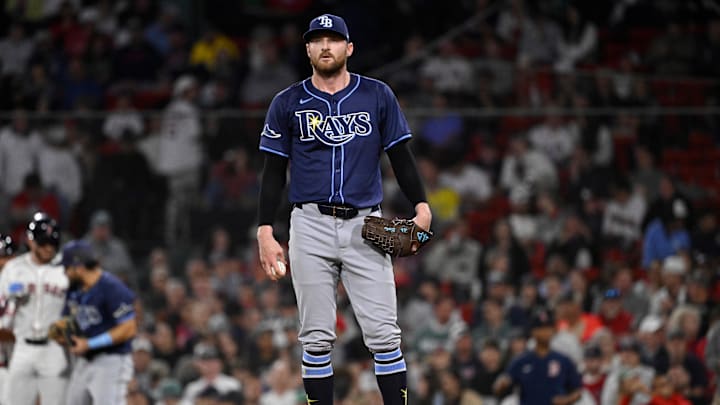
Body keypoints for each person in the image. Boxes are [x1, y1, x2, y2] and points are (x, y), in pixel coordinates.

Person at [256, 13, 432, 405]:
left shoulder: (376, 95)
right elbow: (272, 172)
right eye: (317, 40)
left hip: (364, 224)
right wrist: (265, 229)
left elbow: (400, 155)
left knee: (385, 336)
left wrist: (421, 206)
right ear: (307, 49)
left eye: (333, 39)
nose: (325, 46)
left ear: (348, 48)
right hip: (309, 224)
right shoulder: (287, 102)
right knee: (316, 339)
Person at [55, 239, 137, 405]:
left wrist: (90, 344)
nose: (64, 273)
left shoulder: (111, 287)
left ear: (79, 267)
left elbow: (129, 328)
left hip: (112, 360)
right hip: (84, 361)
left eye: (67, 268)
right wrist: (63, 335)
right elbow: (67, 321)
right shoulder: (74, 290)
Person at [0, 212, 68, 405]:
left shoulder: (65, 270)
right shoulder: (14, 271)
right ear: (31, 242)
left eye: (51, 244)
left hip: (44, 349)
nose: (48, 248)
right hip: (18, 352)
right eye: (43, 243)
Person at [494, 308, 583, 405]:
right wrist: (501, 385)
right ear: (533, 332)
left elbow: (578, 390)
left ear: (553, 331)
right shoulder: (521, 361)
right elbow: (501, 387)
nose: (545, 332)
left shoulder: (563, 360)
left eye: (548, 328)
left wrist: (567, 400)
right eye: (541, 328)